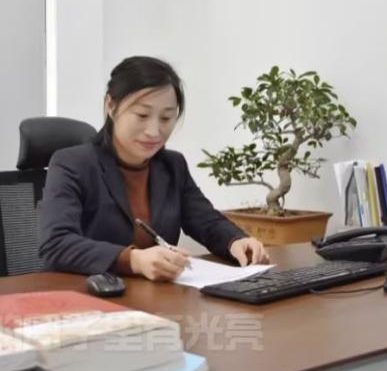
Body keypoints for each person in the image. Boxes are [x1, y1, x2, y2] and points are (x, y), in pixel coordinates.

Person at [38, 56, 270, 281]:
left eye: (166, 118)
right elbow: (56, 244)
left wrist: (235, 241)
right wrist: (133, 260)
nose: (154, 131)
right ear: (111, 105)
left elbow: (206, 221)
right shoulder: (72, 164)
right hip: (90, 296)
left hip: (156, 297)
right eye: (142, 115)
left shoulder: (172, 165)